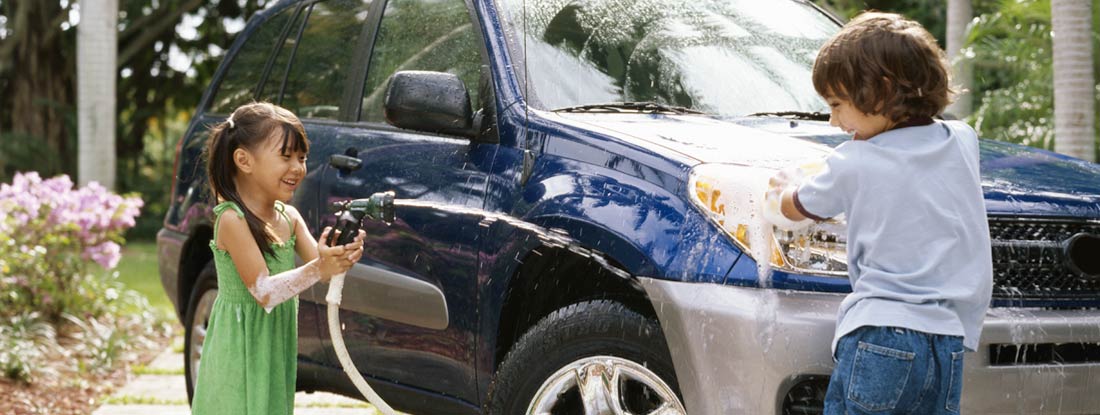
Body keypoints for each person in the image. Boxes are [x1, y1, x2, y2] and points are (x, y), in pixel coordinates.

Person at [765, 12, 993, 415]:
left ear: (881, 91)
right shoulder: (963, 141)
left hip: (882, 335)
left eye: (837, 105)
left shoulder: (854, 161)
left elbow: (796, 207)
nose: (834, 121)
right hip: (948, 343)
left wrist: (781, 187)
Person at [191, 102, 365, 414]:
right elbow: (265, 292)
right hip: (239, 348)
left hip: (273, 345)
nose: (298, 167)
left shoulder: (290, 217)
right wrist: (320, 266)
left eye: (302, 157)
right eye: (286, 156)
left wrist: (342, 254)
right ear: (243, 160)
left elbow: (322, 269)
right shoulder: (232, 220)